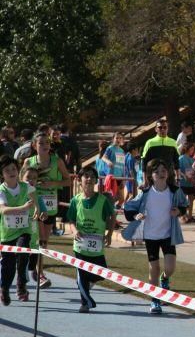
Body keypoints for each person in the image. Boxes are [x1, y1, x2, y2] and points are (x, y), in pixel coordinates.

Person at [122, 159, 188, 315]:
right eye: (156, 171)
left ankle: (165, 279)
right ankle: (155, 300)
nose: (161, 174)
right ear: (151, 176)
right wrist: (136, 215)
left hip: (167, 235)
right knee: (154, 269)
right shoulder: (145, 193)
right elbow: (129, 209)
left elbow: (184, 206)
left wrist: (178, 211)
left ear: (168, 173)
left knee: (170, 268)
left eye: (163, 171)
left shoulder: (174, 190)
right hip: (150, 236)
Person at [23, 133, 70, 289]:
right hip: (33, 205)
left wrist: (53, 183)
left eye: (47, 143)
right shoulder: (29, 162)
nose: (44, 145)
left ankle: (37, 270)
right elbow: (20, 181)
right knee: (37, 240)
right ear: (34, 145)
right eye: (41, 143)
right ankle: (36, 271)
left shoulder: (57, 161)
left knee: (44, 242)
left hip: (50, 206)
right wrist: (31, 183)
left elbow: (68, 180)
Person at [66, 167, 115, 313]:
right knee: (81, 275)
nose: (89, 179)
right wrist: (75, 231)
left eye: (92, 176)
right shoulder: (76, 200)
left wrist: (109, 234)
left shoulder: (102, 200)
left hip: (96, 246)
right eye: (85, 176)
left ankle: (86, 287)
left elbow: (111, 217)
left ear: (96, 180)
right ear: (79, 180)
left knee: (101, 273)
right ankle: (85, 303)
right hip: (80, 245)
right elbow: (71, 220)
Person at [0, 155, 36, 305]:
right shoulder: (1, 190)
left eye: (14, 169)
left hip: (23, 229)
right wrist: (23, 208)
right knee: (8, 265)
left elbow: (34, 196)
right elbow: (3, 210)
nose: (11, 172)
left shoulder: (25, 186)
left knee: (23, 253)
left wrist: (38, 209)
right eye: (7, 170)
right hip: (7, 233)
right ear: (2, 174)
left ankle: (21, 286)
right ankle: (4, 289)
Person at [101, 133, 127, 207]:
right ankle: (109, 213)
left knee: (122, 199)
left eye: (120, 138)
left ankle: (112, 211)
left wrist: (123, 178)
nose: (118, 140)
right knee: (113, 197)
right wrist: (108, 161)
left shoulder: (121, 150)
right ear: (113, 139)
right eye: (117, 138)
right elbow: (103, 157)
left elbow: (122, 165)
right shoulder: (110, 148)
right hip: (112, 176)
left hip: (120, 177)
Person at [178, 143, 195, 223]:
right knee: (183, 200)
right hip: (183, 183)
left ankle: (190, 216)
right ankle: (183, 216)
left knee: (191, 199)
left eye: (193, 149)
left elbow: (194, 170)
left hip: (190, 183)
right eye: (192, 149)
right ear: (187, 149)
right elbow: (178, 170)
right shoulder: (181, 158)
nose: (193, 151)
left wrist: (194, 179)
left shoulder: (192, 159)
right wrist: (184, 176)